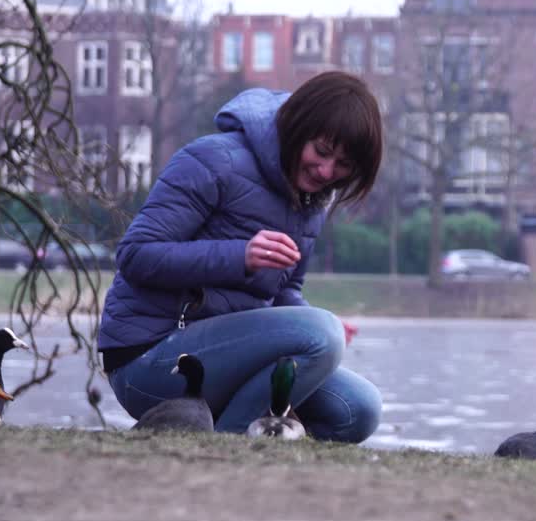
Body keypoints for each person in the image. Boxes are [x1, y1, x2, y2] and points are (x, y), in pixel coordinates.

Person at [97, 71, 383, 442]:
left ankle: (239, 433)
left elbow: (284, 292)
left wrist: (310, 319)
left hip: (232, 361)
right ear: (298, 126)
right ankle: (230, 442)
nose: (326, 171)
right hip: (151, 360)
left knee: (359, 408)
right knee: (321, 333)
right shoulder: (215, 159)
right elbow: (135, 255)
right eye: (322, 151)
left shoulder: (313, 201)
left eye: (343, 165)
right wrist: (240, 256)